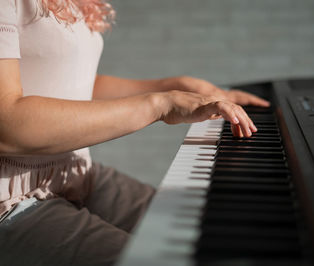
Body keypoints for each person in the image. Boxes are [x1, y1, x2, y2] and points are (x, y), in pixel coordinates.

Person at [0, 0, 270, 265]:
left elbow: (79, 85)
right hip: (9, 198)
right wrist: (160, 105)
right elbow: (7, 126)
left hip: (74, 171)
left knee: (204, 230)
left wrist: (175, 87)